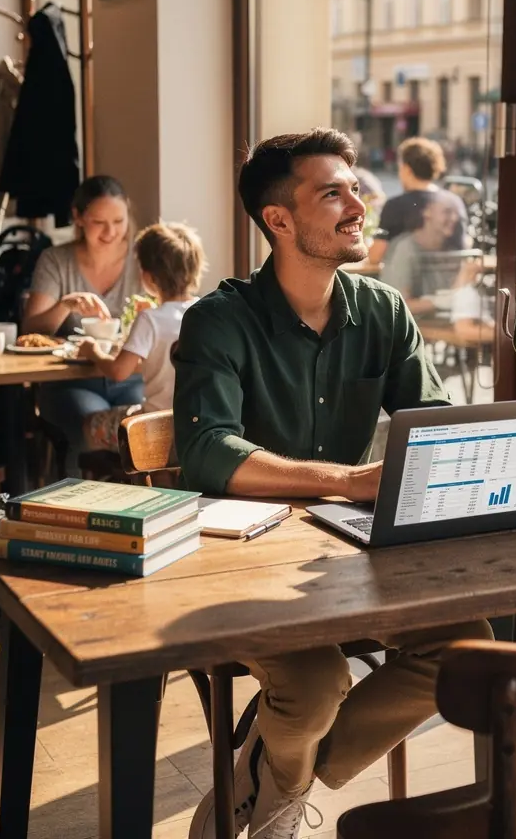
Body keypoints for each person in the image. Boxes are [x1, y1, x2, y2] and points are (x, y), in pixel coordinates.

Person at [174, 129, 492, 839]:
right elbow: (204, 449)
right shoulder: (218, 322)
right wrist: (349, 482)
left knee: (467, 648)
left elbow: (432, 422)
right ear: (278, 221)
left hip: (347, 558)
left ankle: (271, 778)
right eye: (333, 192)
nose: (359, 202)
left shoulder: (382, 311)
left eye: (355, 186)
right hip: (239, 562)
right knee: (316, 687)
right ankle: (281, 784)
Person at [23, 175, 144, 472]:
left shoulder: (142, 259)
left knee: (142, 427)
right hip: (71, 382)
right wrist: (66, 304)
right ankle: (76, 509)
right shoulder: (56, 260)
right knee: (89, 426)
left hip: (130, 378)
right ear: (78, 217)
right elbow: (31, 331)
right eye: (99, 222)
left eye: (118, 221)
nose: (111, 232)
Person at [79, 222, 206, 452]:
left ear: (148, 277)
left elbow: (119, 372)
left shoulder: (150, 319)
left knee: (89, 423)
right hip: (195, 426)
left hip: (155, 427)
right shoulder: (204, 312)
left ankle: (134, 477)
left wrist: (93, 351)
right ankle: (166, 475)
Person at [366, 136, 468, 264]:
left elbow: (375, 256)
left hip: (402, 283)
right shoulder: (455, 203)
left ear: (407, 169)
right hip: (450, 282)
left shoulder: (395, 206)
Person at [379, 191, 463, 316]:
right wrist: (441, 301)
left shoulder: (451, 248)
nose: (454, 218)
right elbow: (396, 304)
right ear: (427, 212)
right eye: (447, 212)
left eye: (456, 213)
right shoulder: (406, 248)